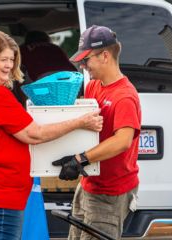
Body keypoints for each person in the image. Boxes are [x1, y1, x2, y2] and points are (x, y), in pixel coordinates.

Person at [0, 30, 103, 240]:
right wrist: (81, 122)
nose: (9, 65)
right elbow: (34, 135)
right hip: (2, 191)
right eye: (3, 59)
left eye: (12, 59)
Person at [52, 25, 141, 240]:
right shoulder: (93, 86)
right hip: (89, 185)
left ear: (105, 55)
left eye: (86, 59)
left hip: (110, 192)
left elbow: (122, 141)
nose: (83, 65)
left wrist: (80, 159)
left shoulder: (125, 96)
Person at [12, 30, 78, 106]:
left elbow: (18, 72)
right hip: (71, 77)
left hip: (41, 77)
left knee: (18, 76)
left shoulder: (23, 49)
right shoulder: (55, 47)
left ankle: (24, 108)